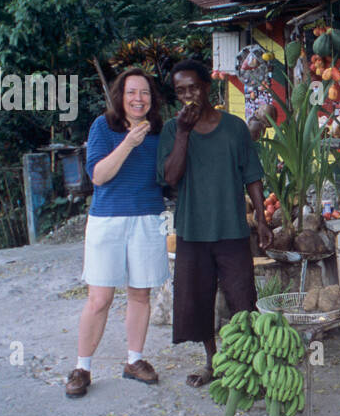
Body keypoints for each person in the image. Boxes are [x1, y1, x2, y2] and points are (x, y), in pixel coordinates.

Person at [158, 58, 272, 388]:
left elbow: (252, 175)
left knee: (242, 298)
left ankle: (250, 361)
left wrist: (262, 220)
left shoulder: (234, 127)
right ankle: (212, 361)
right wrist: (182, 132)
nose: (188, 96)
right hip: (193, 230)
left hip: (232, 229)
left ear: (208, 87)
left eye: (193, 87)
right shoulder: (171, 130)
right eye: (180, 91)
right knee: (197, 299)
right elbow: (170, 177)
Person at [66, 68, 169, 398]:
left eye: (145, 93)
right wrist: (128, 142)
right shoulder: (103, 127)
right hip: (107, 221)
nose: (138, 99)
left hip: (148, 219)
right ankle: (82, 367)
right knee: (100, 298)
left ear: (152, 99)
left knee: (140, 294)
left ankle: (134, 360)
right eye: (131, 92)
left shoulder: (160, 132)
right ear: (119, 97)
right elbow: (98, 175)